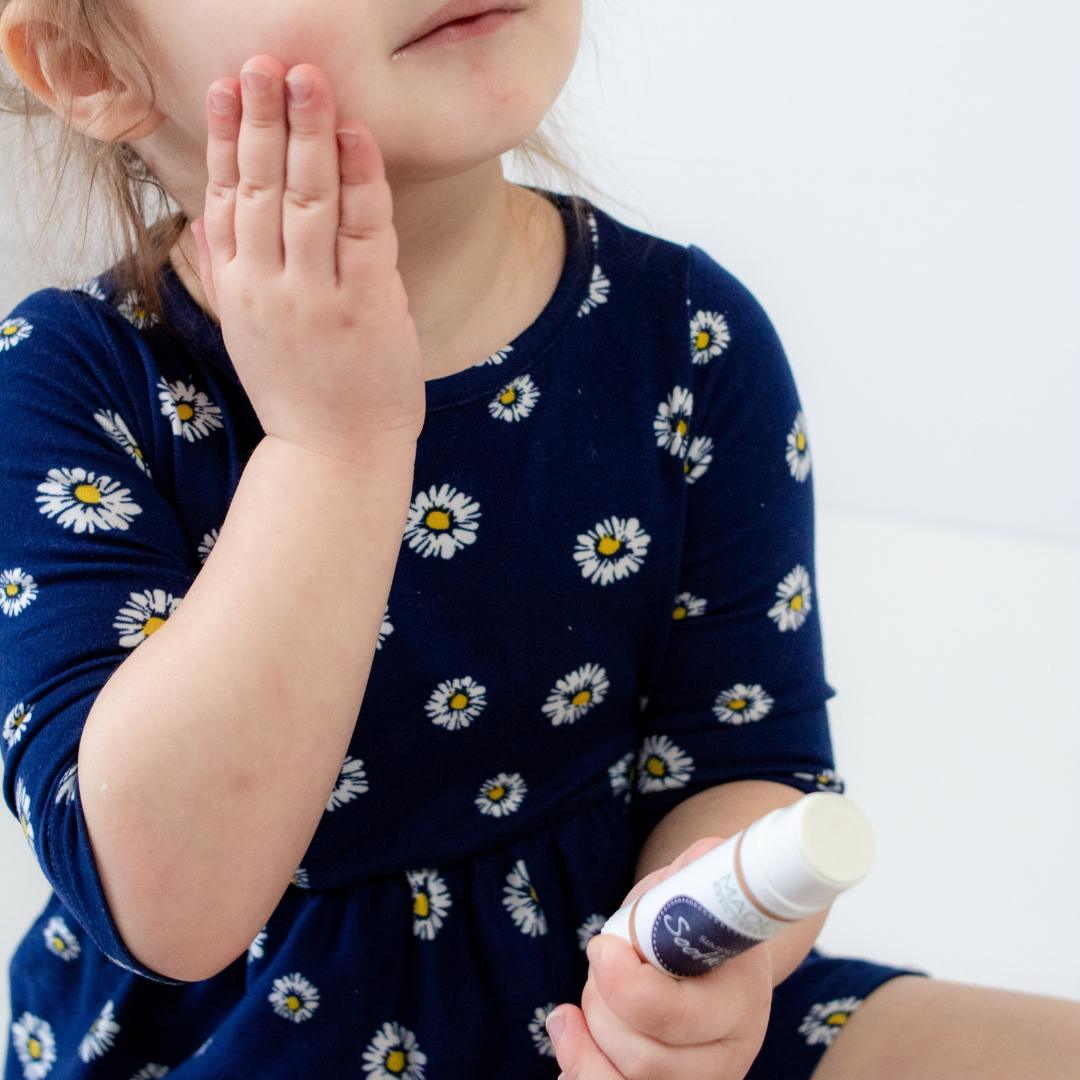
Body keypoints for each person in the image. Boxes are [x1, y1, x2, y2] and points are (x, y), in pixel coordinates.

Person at [2, 3, 1078, 1079]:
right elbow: (170, 910)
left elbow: (749, 762)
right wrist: (334, 445)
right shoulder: (65, 388)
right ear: (89, 62)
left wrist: (702, 973)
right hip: (245, 1043)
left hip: (594, 999)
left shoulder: (691, 336)